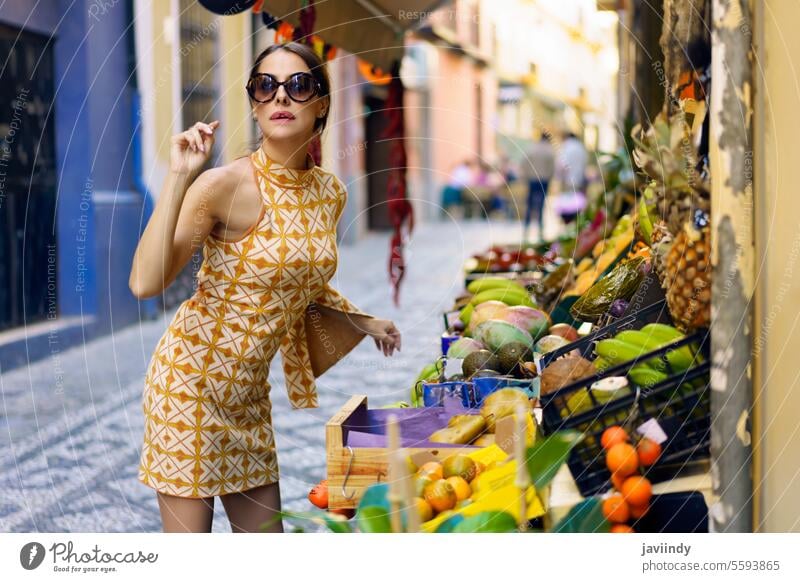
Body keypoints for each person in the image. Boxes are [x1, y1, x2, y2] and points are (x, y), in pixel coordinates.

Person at [129, 42, 401, 533]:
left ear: (321, 104)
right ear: (254, 105)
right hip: (189, 385)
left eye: (298, 86)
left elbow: (301, 286)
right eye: (265, 86)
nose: (281, 97)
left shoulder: (329, 193)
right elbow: (146, 282)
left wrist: (366, 321)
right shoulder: (222, 185)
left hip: (249, 396)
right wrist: (178, 177)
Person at [518, 132, 555, 241]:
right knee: (541, 204)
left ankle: (526, 228)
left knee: (530, 204)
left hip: (532, 179)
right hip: (543, 180)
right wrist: (549, 177)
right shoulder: (549, 150)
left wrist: (527, 175)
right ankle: (540, 229)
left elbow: (523, 163)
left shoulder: (532, 148)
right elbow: (552, 167)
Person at [554, 131, 589, 224]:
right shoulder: (581, 147)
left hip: (567, 180)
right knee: (577, 205)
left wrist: (559, 178)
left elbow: (561, 165)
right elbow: (585, 164)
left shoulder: (566, 147)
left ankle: (567, 225)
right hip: (579, 180)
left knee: (566, 205)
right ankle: (575, 224)